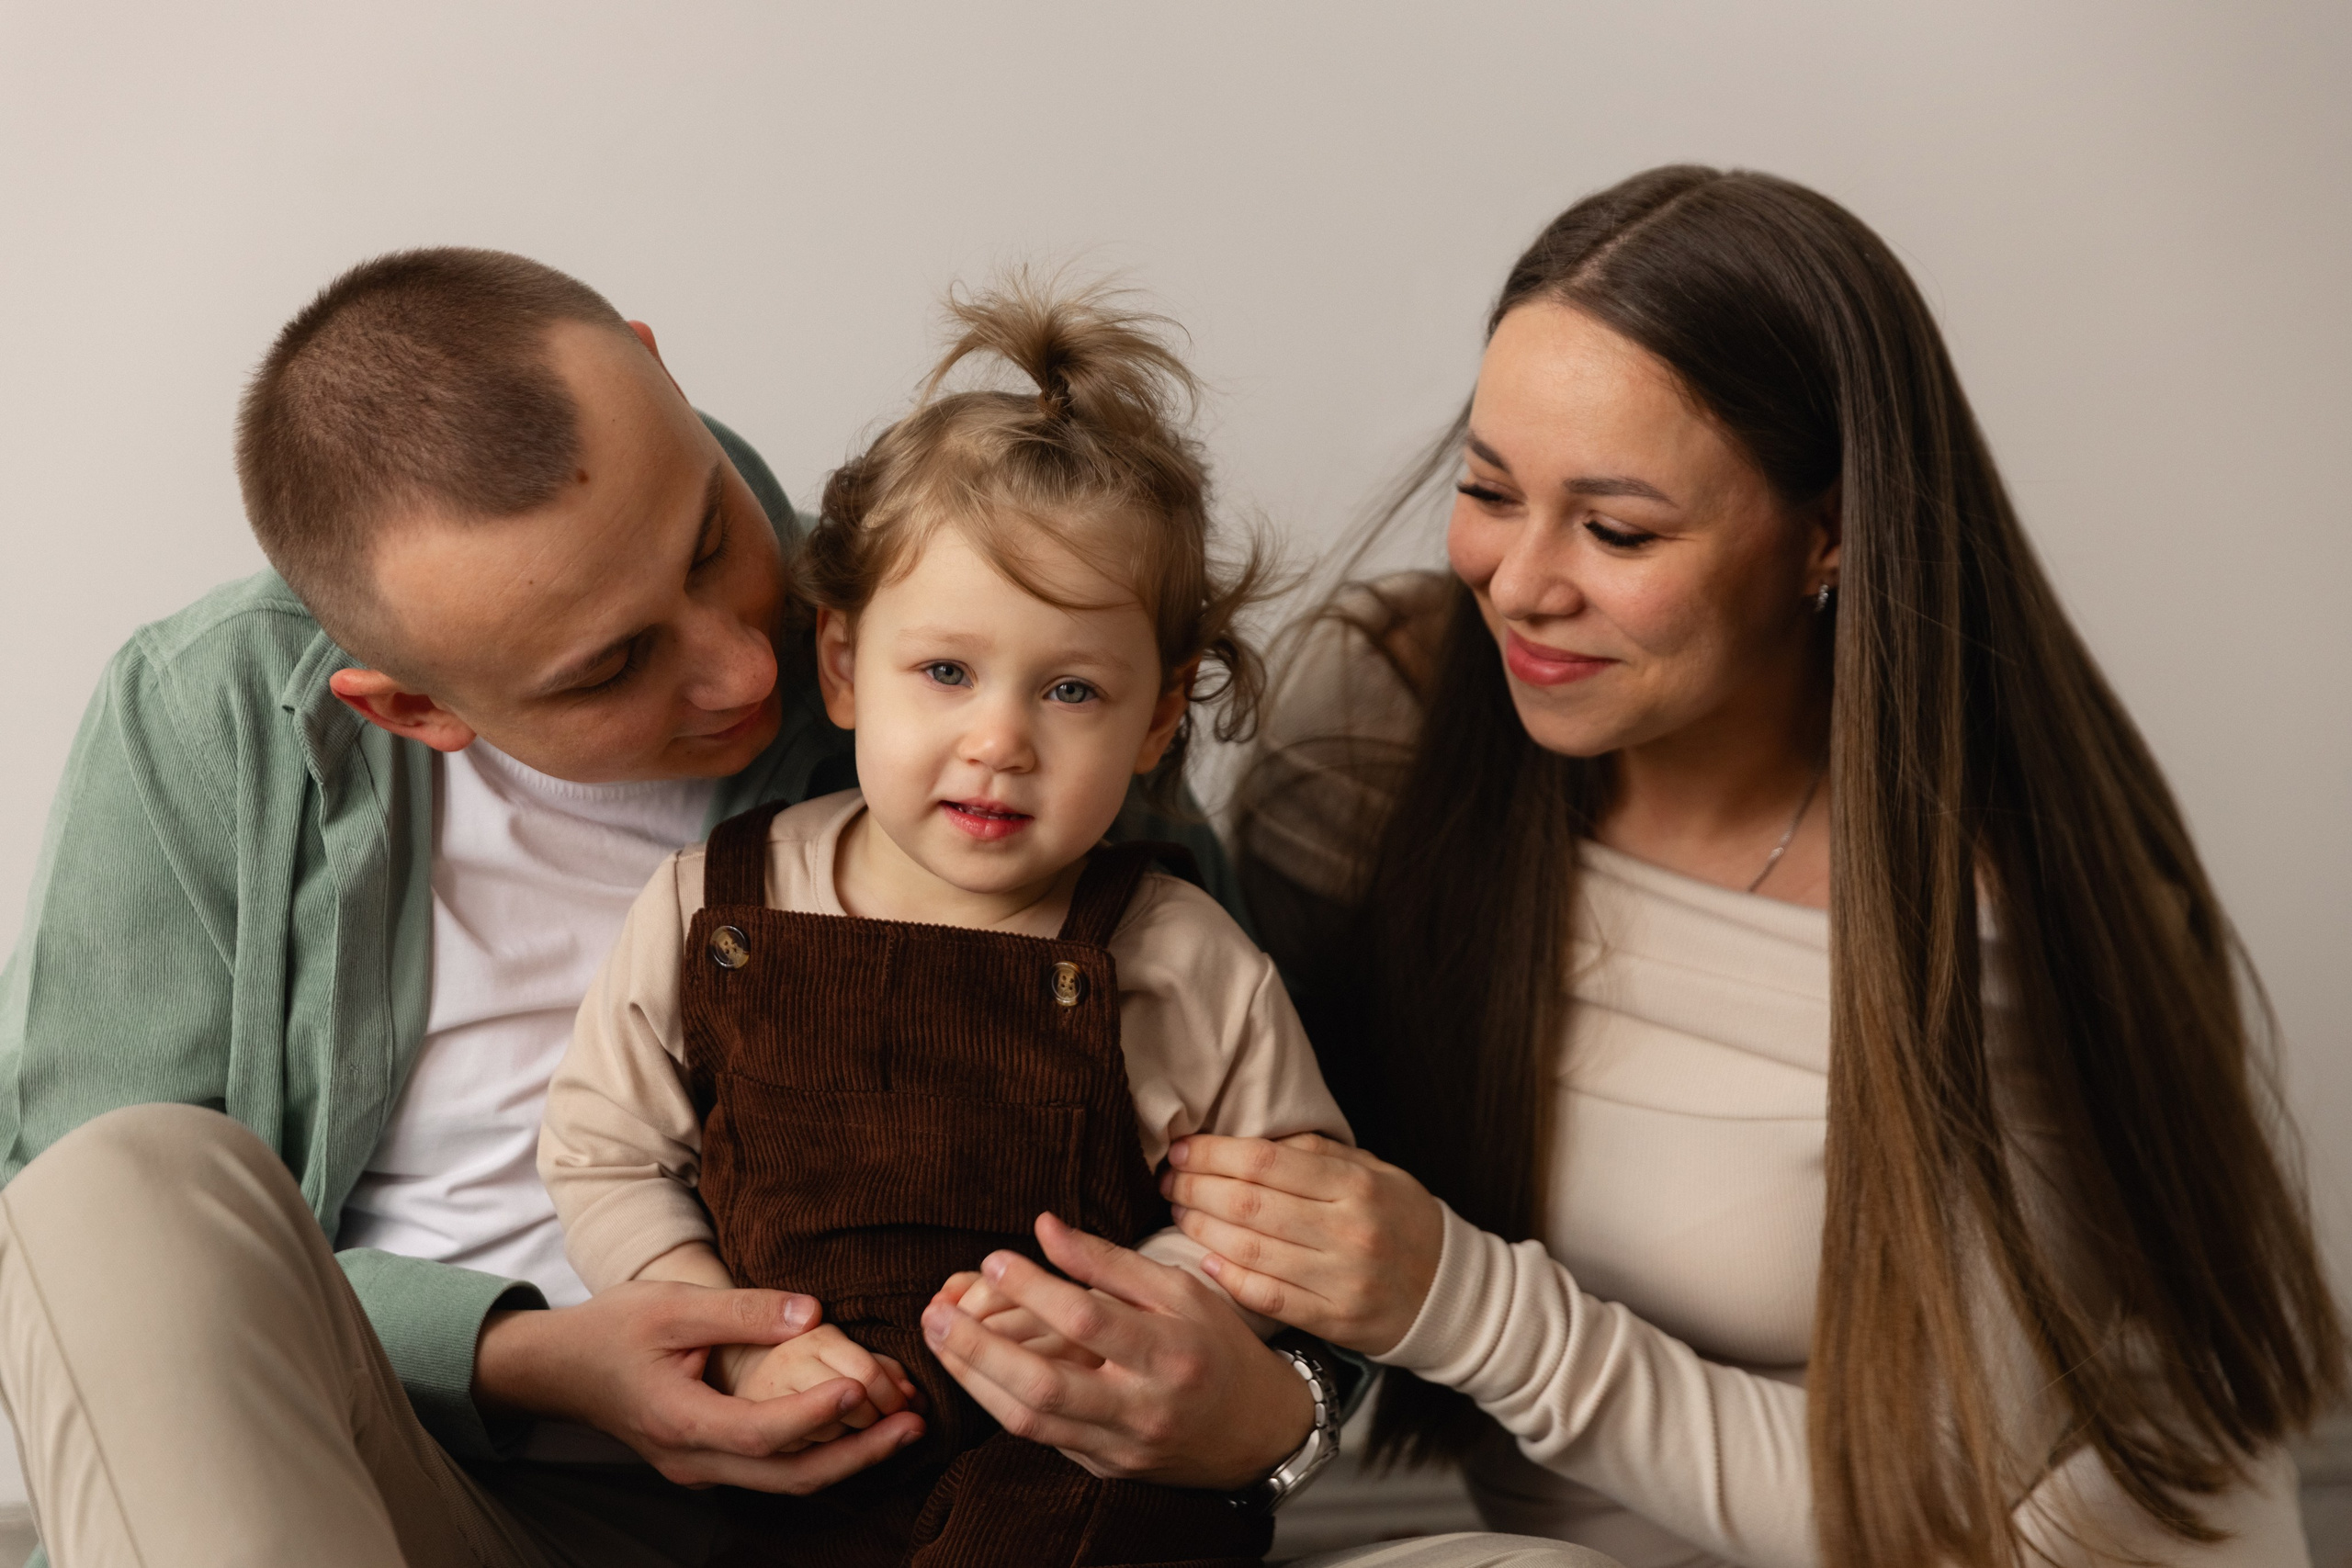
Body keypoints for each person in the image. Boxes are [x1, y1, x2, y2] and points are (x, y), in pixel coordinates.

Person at [0, 246, 1616, 1568]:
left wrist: (1247, 1402)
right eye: (613, 666)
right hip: (444, 1496)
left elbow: (1247, 1185)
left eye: (711, 539)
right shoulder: (207, 718)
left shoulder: (974, 611)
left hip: (960, 1496)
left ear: (653, 362)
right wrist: (526, 1354)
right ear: (410, 707)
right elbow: (93, 1282)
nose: (751, 665)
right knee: (114, 1182)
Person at [1148, 165, 2344, 1568]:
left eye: (1619, 530)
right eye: (1488, 488)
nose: (1521, 582)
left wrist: (1455, 1299)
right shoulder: (1386, 730)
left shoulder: (1991, 915)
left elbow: (1924, 1510)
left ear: (1825, 534)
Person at [540, 278, 1354, 1566]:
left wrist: (1136, 1315)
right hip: (786, 1441)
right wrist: (717, 1323)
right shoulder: (718, 904)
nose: (999, 741)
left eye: (1072, 689)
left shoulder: (1180, 954)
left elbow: (1285, 1219)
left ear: (1158, 718)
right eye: (948, 672)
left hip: (1069, 1471)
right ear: (845, 666)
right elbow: (604, 1151)